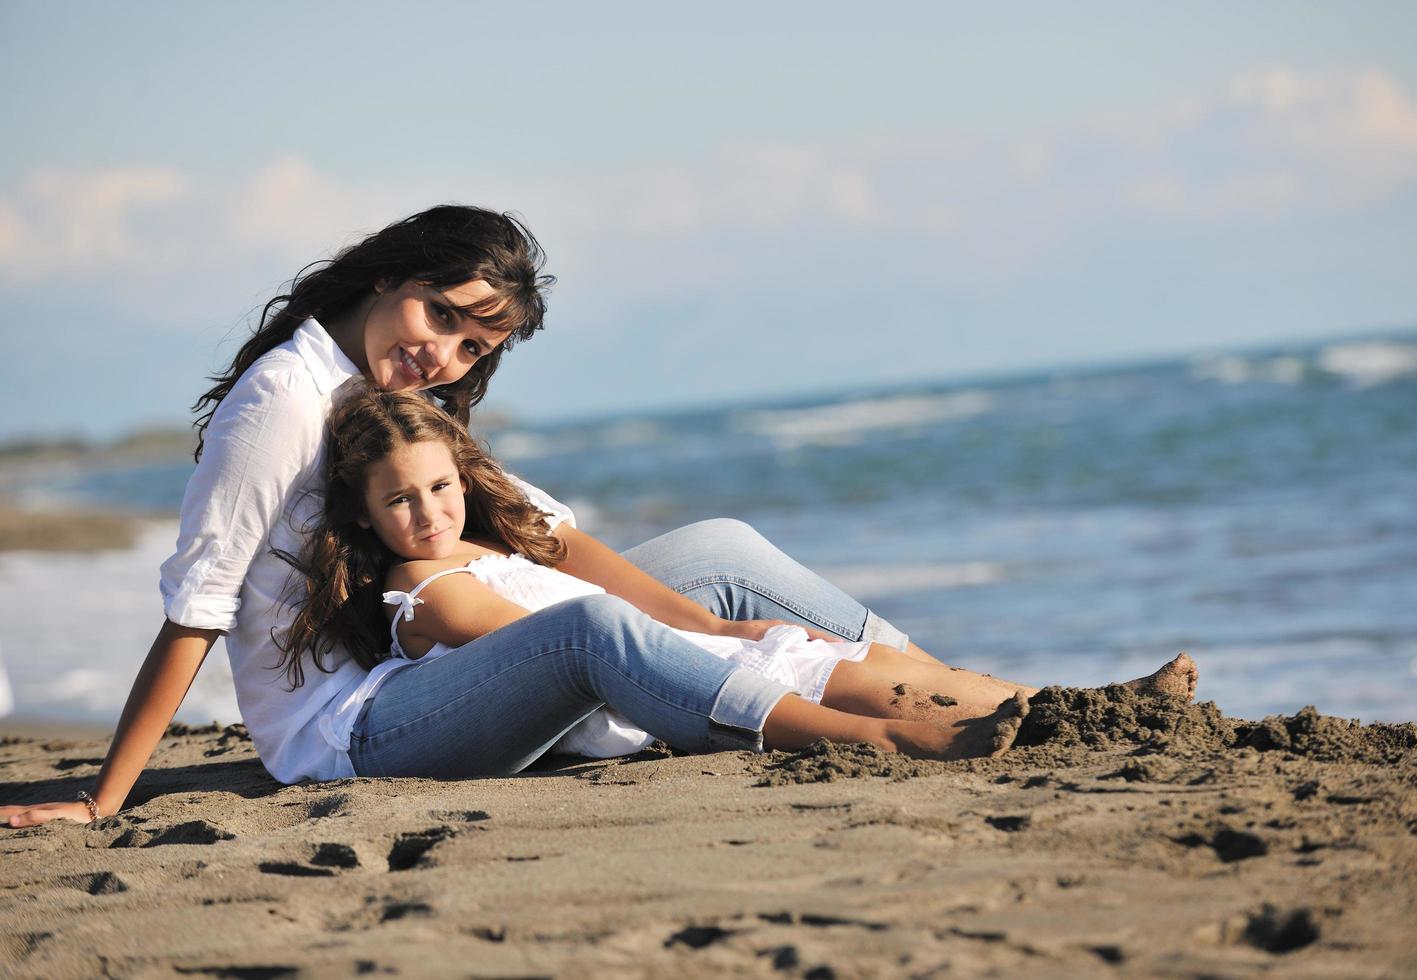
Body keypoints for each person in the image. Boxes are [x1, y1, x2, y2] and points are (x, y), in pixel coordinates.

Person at [1, 203, 1197, 828]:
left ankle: (1020, 704)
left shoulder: (397, 397)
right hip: (350, 723)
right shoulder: (282, 401)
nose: (445, 351)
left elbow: (545, 535)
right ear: (391, 271)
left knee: (721, 553)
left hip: (442, 657)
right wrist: (111, 795)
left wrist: (699, 615)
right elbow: (200, 602)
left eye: (476, 343)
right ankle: (886, 738)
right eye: (441, 313)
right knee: (587, 635)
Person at [275, 383, 1071, 775]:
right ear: (368, 514)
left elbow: (570, 559)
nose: (427, 512)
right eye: (400, 501)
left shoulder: (488, 537)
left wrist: (724, 627)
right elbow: (552, 644)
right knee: (817, 680)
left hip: (643, 655)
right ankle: (884, 739)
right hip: (615, 681)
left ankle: (1060, 704)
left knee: (850, 662)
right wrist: (710, 646)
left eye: (440, 487)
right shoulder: (422, 586)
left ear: (462, 475)